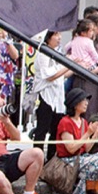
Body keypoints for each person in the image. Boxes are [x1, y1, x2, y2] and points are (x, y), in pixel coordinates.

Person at [55, 88, 98, 194]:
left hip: (80, 157)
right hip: (67, 161)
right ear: (75, 104)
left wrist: (96, 133)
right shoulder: (65, 122)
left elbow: (87, 148)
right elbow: (71, 149)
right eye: (83, 100)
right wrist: (88, 133)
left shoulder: (83, 122)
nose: (86, 103)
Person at [28, 30, 71, 160]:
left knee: (55, 130)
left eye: (59, 35)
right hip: (45, 96)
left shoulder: (56, 52)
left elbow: (61, 75)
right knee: (42, 129)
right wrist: (68, 65)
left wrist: (74, 67)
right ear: (48, 37)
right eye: (56, 35)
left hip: (57, 96)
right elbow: (50, 76)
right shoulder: (43, 53)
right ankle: (37, 159)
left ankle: (51, 160)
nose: (59, 38)